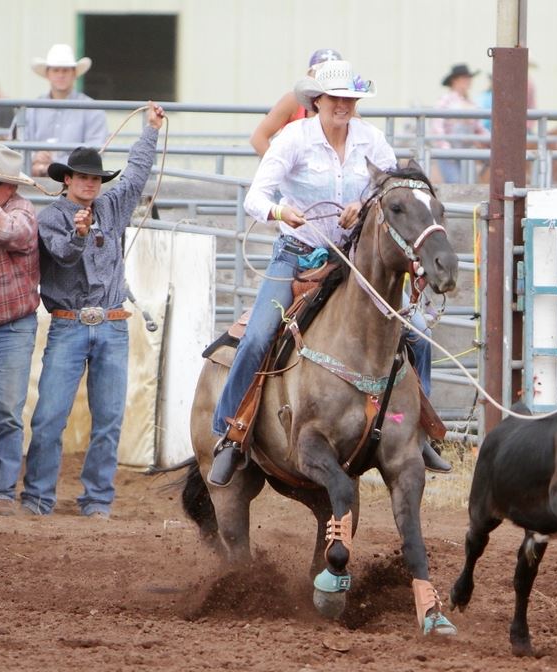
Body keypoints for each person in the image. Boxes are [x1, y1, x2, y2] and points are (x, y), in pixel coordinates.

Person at [208, 59, 449, 487]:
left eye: (350, 99)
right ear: (316, 100)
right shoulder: (293, 139)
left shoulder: (370, 140)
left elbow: (392, 188)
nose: (343, 105)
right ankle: (232, 432)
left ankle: (418, 429)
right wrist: (282, 210)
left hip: (352, 259)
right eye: (336, 98)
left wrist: (367, 202)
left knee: (414, 333)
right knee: (260, 333)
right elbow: (255, 198)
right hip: (297, 255)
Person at [20, 101, 165, 518]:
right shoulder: (51, 218)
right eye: (83, 177)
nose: (90, 183)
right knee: (49, 416)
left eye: (95, 178)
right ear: (67, 180)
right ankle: (38, 496)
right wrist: (81, 235)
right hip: (68, 324)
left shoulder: (112, 206)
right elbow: (64, 257)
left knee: (109, 419)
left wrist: (149, 130)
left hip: (112, 323)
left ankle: (97, 499)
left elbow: (137, 172)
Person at [0, 147, 40, 517]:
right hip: (10, 325)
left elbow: (15, 235)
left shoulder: (21, 211)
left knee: (6, 410)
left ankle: (3, 490)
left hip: (11, 326)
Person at [24, 44, 109, 178]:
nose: (61, 75)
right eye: (56, 70)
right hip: (35, 176)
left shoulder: (92, 109)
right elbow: (17, 142)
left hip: (75, 179)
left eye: (65, 70)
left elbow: (95, 149)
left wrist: (51, 166)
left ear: (74, 73)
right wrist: (35, 157)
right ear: (48, 73)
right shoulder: (31, 109)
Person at [250, 48, 344, 157]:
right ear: (310, 75)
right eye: (321, 73)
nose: (326, 79)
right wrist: (281, 166)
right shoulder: (294, 101)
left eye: (333, 74)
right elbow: (258, 138)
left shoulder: (345, 106)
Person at [431, 63, 489, 184]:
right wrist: (445, 148)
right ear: (455, 80)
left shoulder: (470, 103)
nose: (469, 81)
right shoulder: (446, 100)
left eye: (468, 78)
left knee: (470, 184)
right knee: (455, 182)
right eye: (465, 78)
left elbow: (478, 128)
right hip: (449, 151)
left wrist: (490, 140)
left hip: (466, 151)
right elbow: (437, 125)